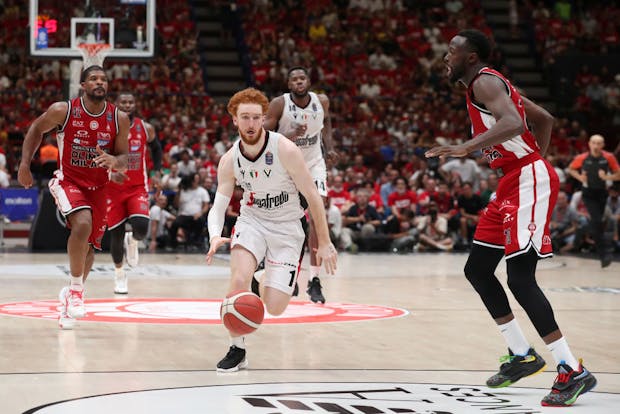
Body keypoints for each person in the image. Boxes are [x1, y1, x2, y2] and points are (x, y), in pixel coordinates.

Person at [425, 29, 596, 407]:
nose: (446, 57)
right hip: (513, 181)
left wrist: (470, 148)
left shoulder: (484, 80)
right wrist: (529, 162)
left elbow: (517, 124)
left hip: (526, 179)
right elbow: (544, 119)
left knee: (520, 279)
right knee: (479, 270)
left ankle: (572, 369)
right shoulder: (491, 87)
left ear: (471, 57)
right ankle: (522, 354)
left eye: (452, 51)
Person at [206, 87, 337, 372]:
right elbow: (218, 204)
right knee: (238, 279)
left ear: (265, 118)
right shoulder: (229, 160)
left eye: (256, 118)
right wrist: (215, 234)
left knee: (275, 307)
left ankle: (265, 276)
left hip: (288, 227)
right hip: (252, 221)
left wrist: (324, 242)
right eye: (245, 118)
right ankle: (236, 349)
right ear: (234, 120)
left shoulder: (284, 149)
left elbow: (313, 197)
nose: (251, 124)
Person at [18, 65, 129, 329]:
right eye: (93, 79)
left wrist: (115, 160)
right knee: (82, 224)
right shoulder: (63, 110)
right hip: (68, 180)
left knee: (89, 247)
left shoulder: (119, 118)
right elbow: (36, 128)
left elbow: (126, 159)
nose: (99, 82)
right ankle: (77, 292)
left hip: (100, 187)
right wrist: (25, 164)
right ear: (83, 85)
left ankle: (71, 296)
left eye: (103, 79)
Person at [263, 66, 338, 303]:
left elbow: (326, 125)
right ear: (289, 84)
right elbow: (264, 135)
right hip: (287, 166)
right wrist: (291, 135)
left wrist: (330, 147)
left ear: (308, 81)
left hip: (314, 164)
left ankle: (315, 281)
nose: (298, 82)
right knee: (288, 224)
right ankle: (290, 275)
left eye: (302, 78)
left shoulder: (322, 101)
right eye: (294, 79)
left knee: (318, 219)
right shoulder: (279, 104)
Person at [107, 91, 161, 294]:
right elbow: (96, 153)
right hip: (112, 188)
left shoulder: (145, 128)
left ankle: (134, 241)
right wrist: (109, 174)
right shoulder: (107, 127)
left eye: (131, 102)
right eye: (124, 102)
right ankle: (119, 275)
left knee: (141, 228)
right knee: (116, 233)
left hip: (137, 187)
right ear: (116, 105)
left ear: (135, 105)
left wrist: (156, 172)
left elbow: (157, 149)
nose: (127, 105)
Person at [567, 134, 620, 267]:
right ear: (589, 144)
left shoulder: (608, 157)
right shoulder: (582, 157)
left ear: (603, 145)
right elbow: (571, 169)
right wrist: (580, 178)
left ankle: (602, 252)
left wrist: (607, 177)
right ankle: (605, 254)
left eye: (599, 143)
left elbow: (618, 175)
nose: (596, 146)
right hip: (588, 194)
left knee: (598, 223)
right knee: (596, 221)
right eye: (594, 143)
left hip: (602, 193)